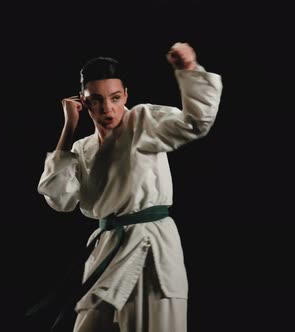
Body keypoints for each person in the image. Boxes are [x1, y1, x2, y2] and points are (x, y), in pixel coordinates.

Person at [35, 42, 223, 332]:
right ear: (84, 102)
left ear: (125, 96)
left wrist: (188, 69)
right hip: (108, 247)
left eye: (115, 97)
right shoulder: (82, 147)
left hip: (150, 246)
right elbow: (60, 200)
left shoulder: (142, 122)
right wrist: (69, 125)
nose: (107, 108)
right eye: (95, 100)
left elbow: (196, 123)